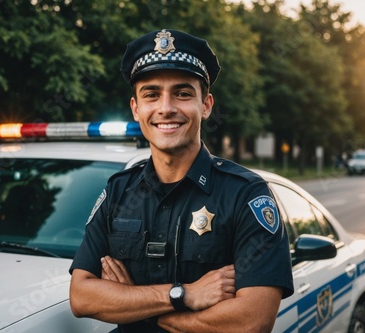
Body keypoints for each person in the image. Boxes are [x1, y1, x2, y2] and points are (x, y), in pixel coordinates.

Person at [69, 29, 293, 333]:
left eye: (183, 93)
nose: (166, 108)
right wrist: (184, 294)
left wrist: (137, 306)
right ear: (136, 108)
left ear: (206, 105)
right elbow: (82, 298)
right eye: (151, 94)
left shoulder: (245, 195)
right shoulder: (118, 191)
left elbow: (253, 321)